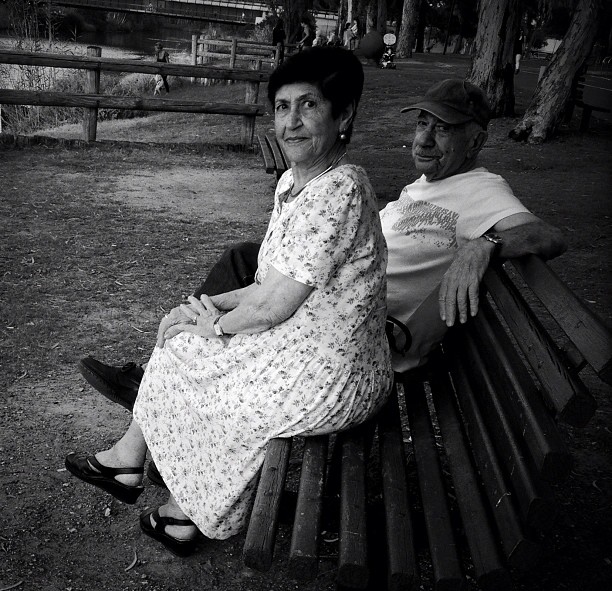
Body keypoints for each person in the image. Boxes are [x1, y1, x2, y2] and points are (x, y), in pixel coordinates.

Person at [77, 78, 567, 495]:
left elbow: (548, 236)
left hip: (360, 334)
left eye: (443, 128)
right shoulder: (423, 186)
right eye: (422, 123)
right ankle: (159, 399)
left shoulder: (483, 191)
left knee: (242, 289)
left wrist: (485, 245)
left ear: (476, 140)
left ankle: (155, 395)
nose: (425, 138)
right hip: (338, 306)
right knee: (244, 258)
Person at [65, 47, 393, 557]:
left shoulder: (341, 191)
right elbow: (266, 284)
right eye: (282, 107)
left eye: (309, 105)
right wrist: (205, 306)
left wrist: (213, 327)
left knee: (199, 360)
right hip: (305, 347)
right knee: (182, 344)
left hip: (336, 373)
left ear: (344, 114)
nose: (292, 122)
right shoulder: (295, 184)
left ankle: (181, 508)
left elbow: (272, 307)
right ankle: (143, 475)